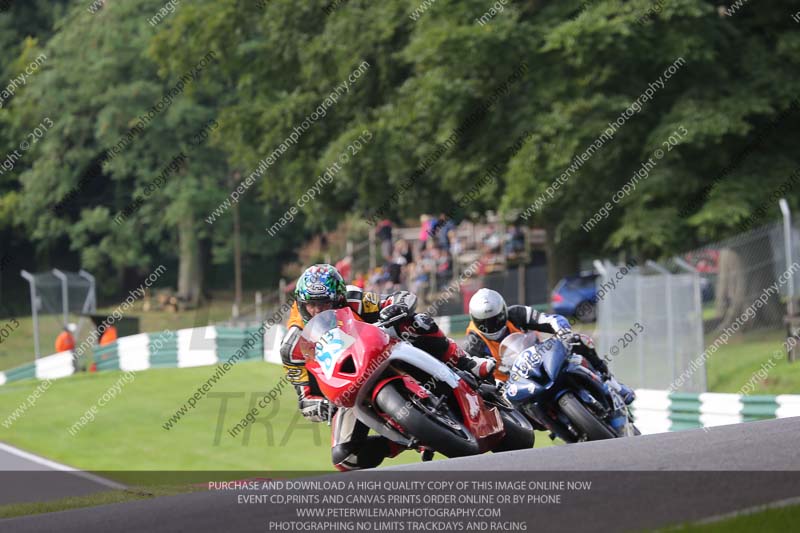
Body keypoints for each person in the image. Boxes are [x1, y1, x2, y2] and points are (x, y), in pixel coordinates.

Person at [280, 264, 495, 471]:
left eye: (324, 304)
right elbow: (304, 398)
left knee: (417, 321)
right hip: (345, 385)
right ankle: (404, 441)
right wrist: (320, 407)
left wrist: (396, 308)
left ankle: (467, 362)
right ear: (301, 304)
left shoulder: (354, 298)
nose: (317, 311)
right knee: (345, 459)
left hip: (375, 349)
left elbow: (401, 298)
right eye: (311, 305)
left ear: (338, 300)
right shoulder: (292, 347)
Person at [463, 288, 634, 404]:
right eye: (485, 323)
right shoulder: (473, 341)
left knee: (579, 340)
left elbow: (550, 319)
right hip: (512, 381)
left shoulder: (517, 314)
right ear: (474, 319)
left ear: (503, 311)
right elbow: (477, 374)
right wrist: (495, 387)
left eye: (496, 318)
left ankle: (612, 383)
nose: (492, 326)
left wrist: (562, 330)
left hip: (542, 355)